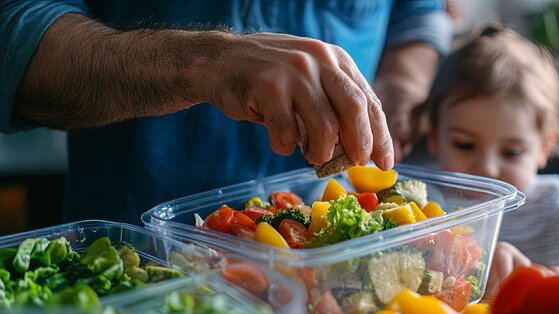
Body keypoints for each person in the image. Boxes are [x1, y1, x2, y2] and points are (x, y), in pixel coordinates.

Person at [0, 1, 452, 225]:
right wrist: (204, 62)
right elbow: (15, 36)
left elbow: (416, 16)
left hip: (333, 263)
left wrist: (400, 94)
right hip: (141, 254)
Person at [414, 25, 559, 295]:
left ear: (544, 148)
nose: (487, 168)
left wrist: (557, 277)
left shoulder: (553, 203)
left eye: (512, 152)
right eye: (464, 145)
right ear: (433, 136)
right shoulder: (419, 199)